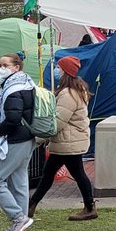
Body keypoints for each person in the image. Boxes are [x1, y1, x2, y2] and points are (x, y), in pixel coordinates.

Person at [29, 56, 96, 221]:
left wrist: (37, 138)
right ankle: (31, 205)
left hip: (68, 142)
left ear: (65, 72)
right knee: (50, 173)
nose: (56, 71)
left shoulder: (68, 94)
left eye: (58, 68)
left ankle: (89, 207)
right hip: (68, 141)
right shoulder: (74, 90)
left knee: (72, 174)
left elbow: (57, 123)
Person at [0, 53, 37, 231]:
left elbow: (13, 118)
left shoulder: (14, 88)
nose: (1, 69)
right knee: (19, 182)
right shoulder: (26, 83)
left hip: (15, 139)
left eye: (5, 65)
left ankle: (18, 218)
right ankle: (20, 226)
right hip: (27, 137)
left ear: (16, 67)